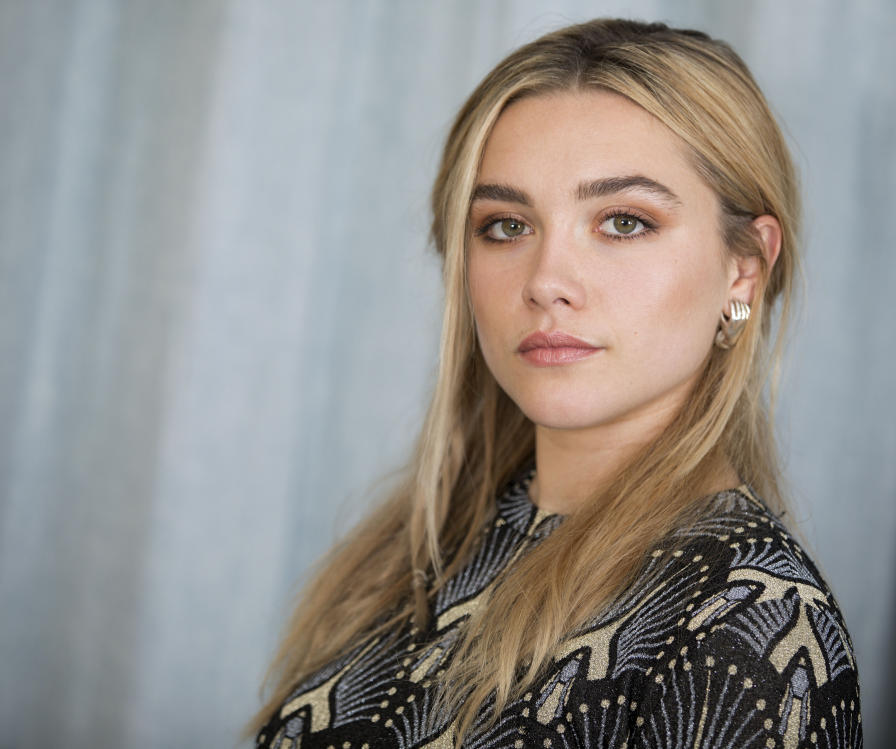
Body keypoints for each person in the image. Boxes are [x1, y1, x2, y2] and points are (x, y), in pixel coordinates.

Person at [251, 18, 862, 749]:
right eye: (507, 225)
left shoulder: (748, 622)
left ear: (744, 267)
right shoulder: (414, 556)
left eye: (625, 222)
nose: (546, 282)